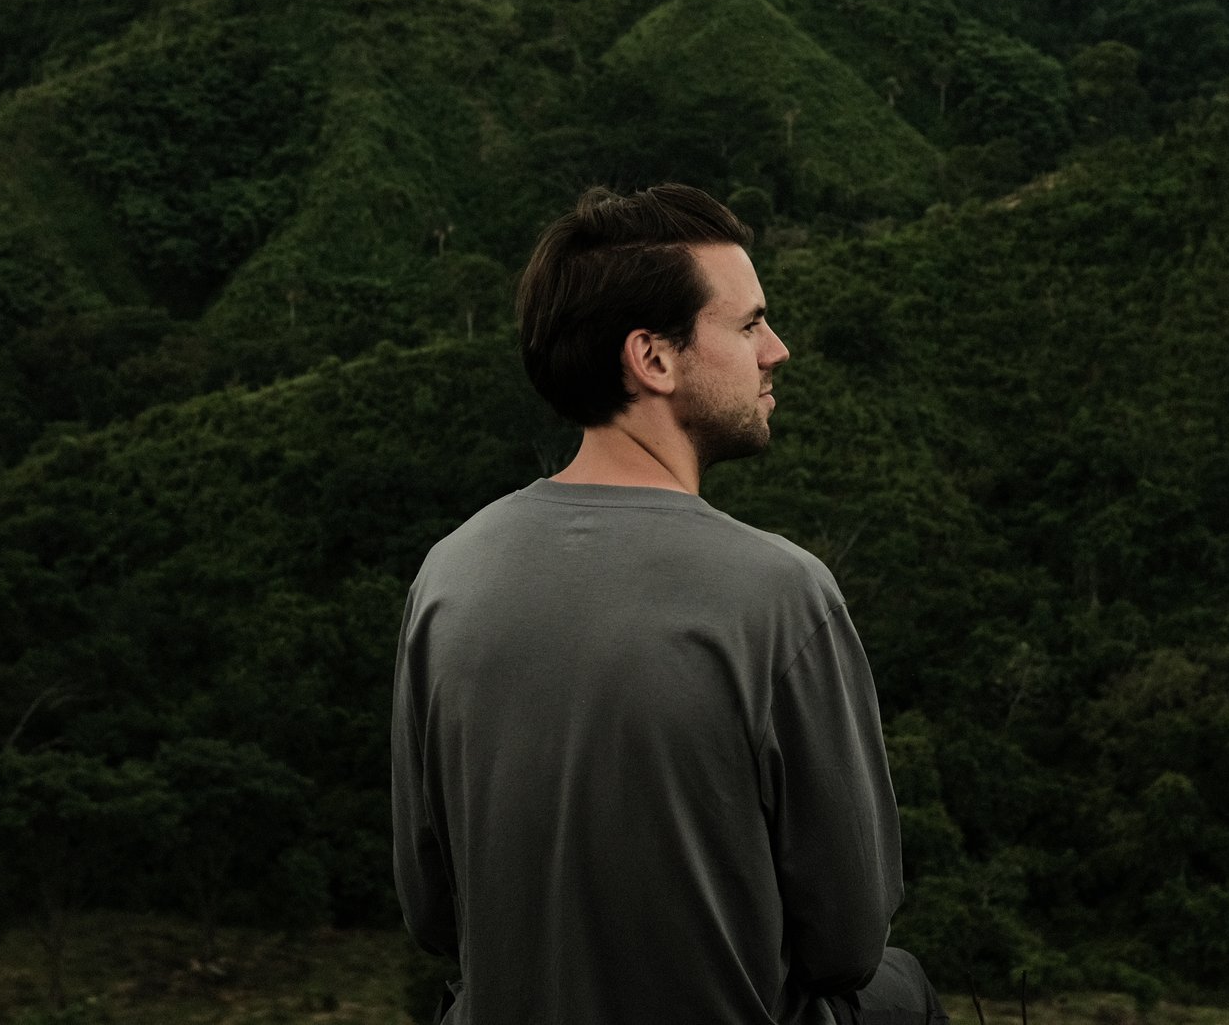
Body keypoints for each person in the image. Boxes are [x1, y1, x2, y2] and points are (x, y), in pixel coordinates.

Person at [391, 183, 950, 1025]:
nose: (778, 350)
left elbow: (433, 913)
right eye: (750, 324)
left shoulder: (447, 578)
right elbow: (848, 939)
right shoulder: (780, 596)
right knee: (901, 988)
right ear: (653, 358)